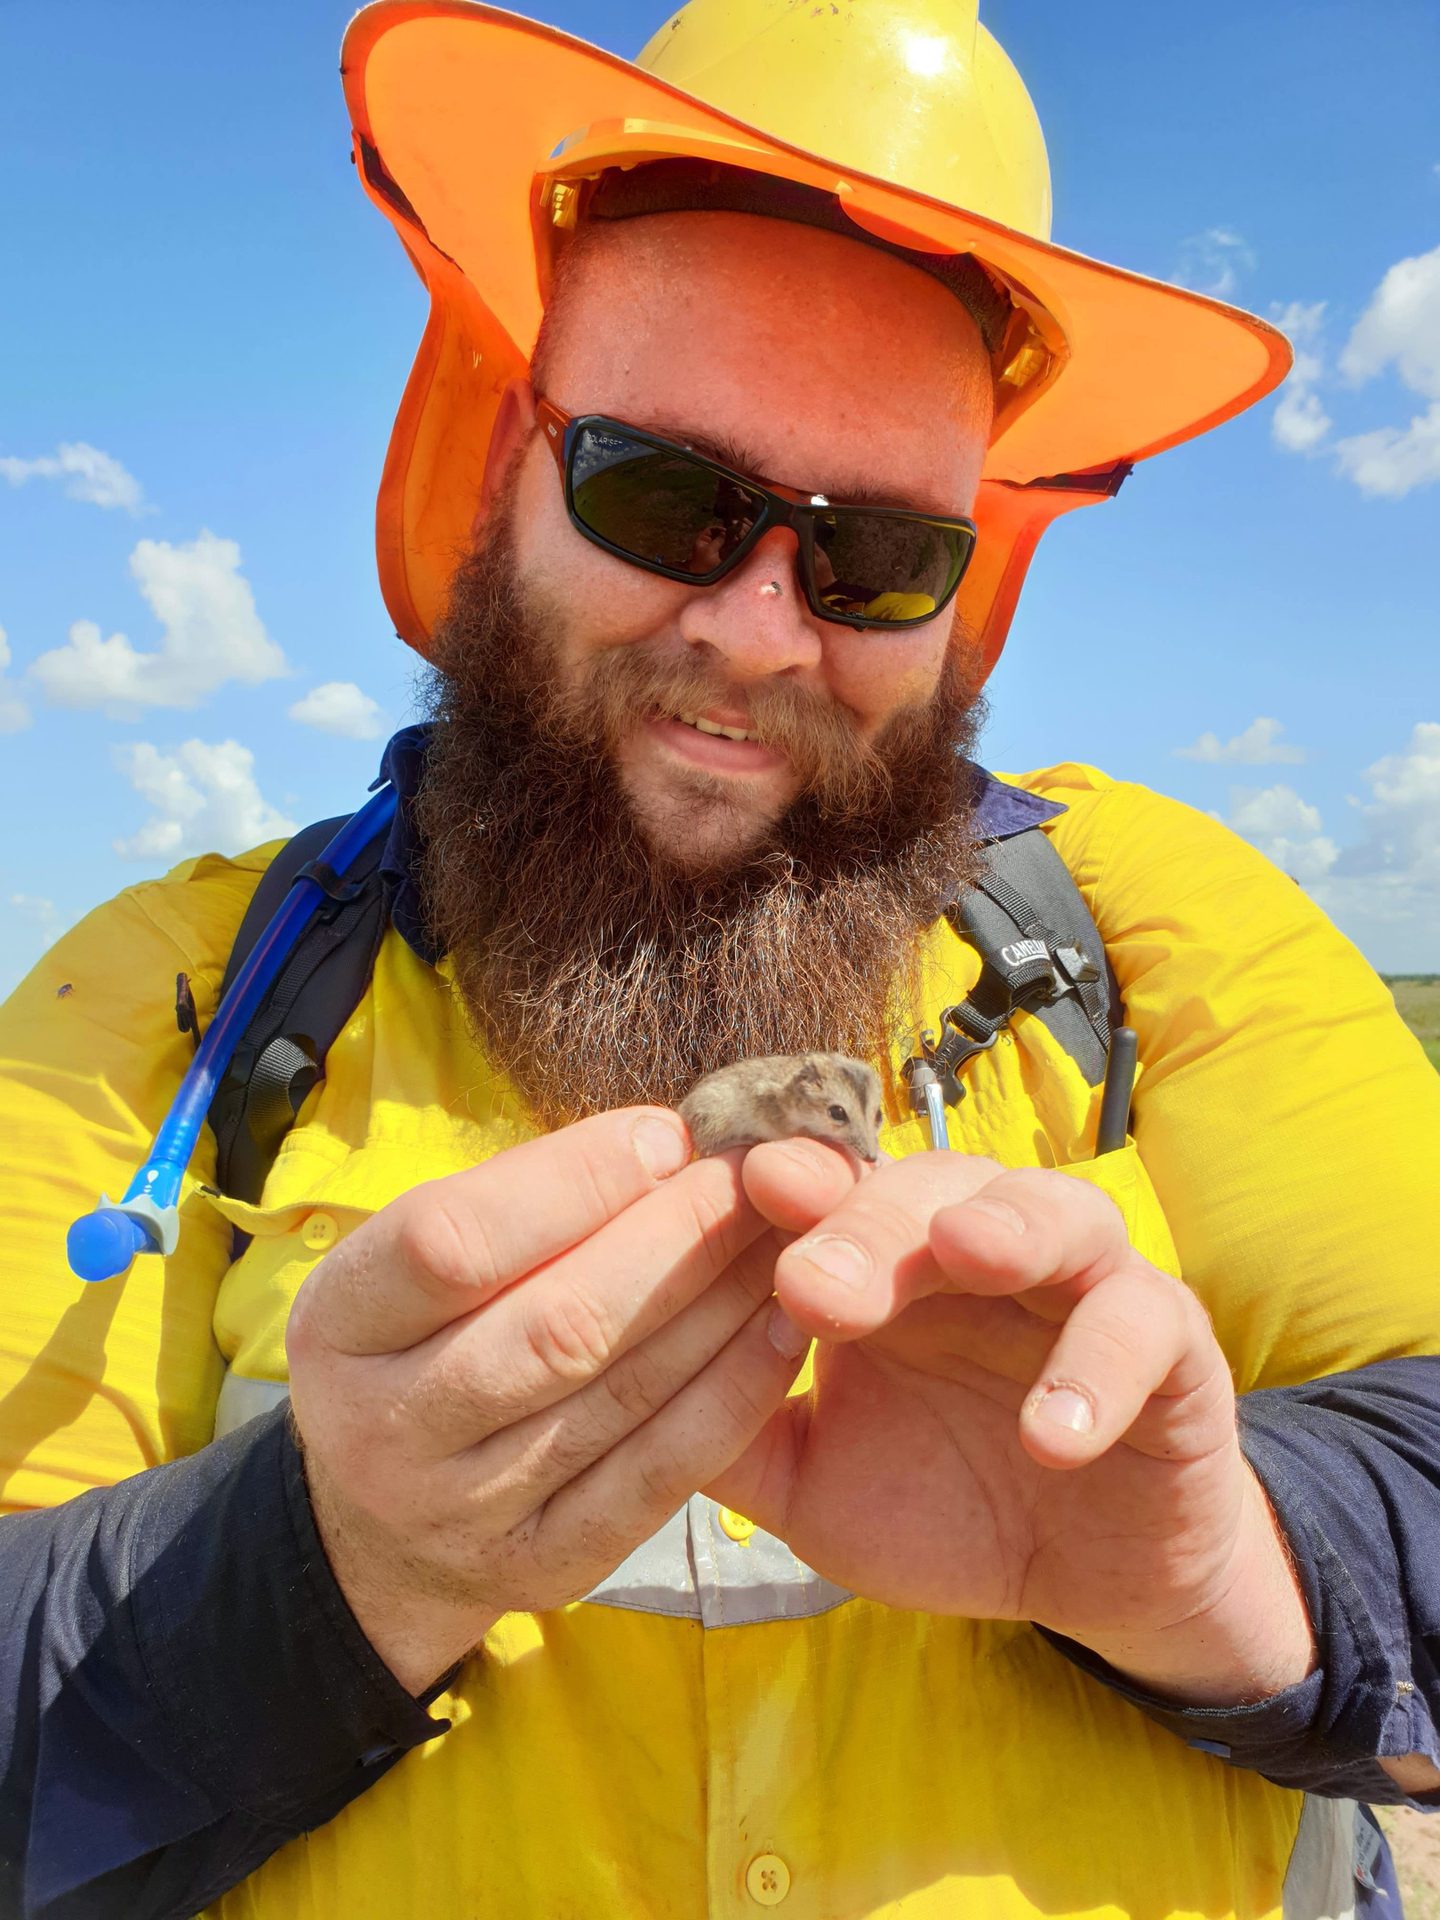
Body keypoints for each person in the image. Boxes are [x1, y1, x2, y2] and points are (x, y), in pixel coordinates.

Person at [2, 1, 1438, 1916]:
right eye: (666, 495)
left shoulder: (1160, 927)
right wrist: (330, 1560)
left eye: (874, 556)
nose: (762, 633)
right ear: (508, 460)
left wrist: (1218, 1569)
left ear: (969, 587)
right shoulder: (176, 994)